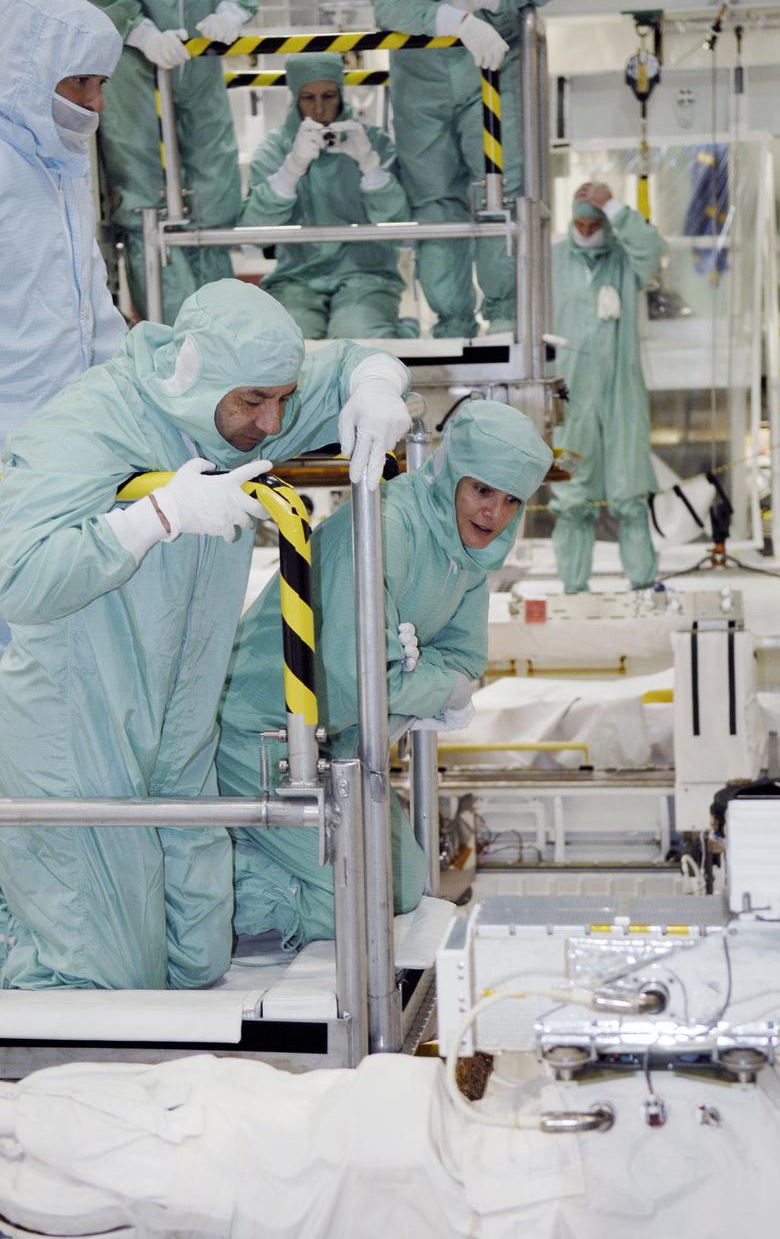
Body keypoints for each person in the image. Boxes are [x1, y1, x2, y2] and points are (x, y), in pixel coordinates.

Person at [0, 279, 412, 991]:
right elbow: (18, 579)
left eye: (282, 398)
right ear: (196, 373)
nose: (272, 421)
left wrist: (377, 386)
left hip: (178, 724)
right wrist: (153, 517)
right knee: (103, 972)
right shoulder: (91, 425)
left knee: (198, 956)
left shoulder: (247, 402)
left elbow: (349, 359)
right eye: (255, 402)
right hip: (79, 731)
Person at [217, 400, 552, 950]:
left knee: (397, 887)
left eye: (512, 499)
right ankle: (207, 887)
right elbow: (360, 681)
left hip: (335, 744)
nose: (495, 514)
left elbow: (467, 660)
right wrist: (434, 684)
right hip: (263, 736)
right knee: (356, 901)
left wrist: (414, 676)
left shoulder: (471, 552)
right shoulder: (388, 525)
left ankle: (257, 852)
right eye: (483, 490)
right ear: (449, 475)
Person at [369, 0, 565, 338]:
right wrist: (453, 20)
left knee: (500, 190)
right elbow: (388, 0)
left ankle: (506, 313)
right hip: (420, 64)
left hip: (496, 59)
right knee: (434, 198)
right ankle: (452, 321)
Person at [65, 0, 260, 324]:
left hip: (200, 54)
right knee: (142, 196)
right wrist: (139, 30)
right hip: (129, 54)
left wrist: (232, 8)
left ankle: (226, 328)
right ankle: (177, 333)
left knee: (212, 187)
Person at [0, 0, 126, 457]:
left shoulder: (63, 166)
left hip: (68, 435)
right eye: (81, 80)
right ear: (28, 70)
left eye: (102, 83)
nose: (96, 102)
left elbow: (89, 305)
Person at [240, 53, 412, 339]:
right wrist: (290, 171)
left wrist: (371, 168)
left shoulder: (372, 142)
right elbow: (254, 233)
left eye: (328, 96)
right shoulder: (275, 148)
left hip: (367, 275)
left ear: (341, 95)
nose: (319, 109)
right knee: (294, 345)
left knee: (357, 337)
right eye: (308, 97)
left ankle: (398, 329)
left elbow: (398, 227)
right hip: (297, 278)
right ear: (294, 97)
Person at [549, 182, 667, 593]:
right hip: (571, 396)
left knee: (630, 494)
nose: (585, 231)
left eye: (593, 223)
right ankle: (573, 590)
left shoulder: (624, 259)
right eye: (578, 224)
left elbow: (653, 248)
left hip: (622, 395)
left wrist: (613, 204)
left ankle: (643, 584)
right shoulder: (553, 261)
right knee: (571, 498)